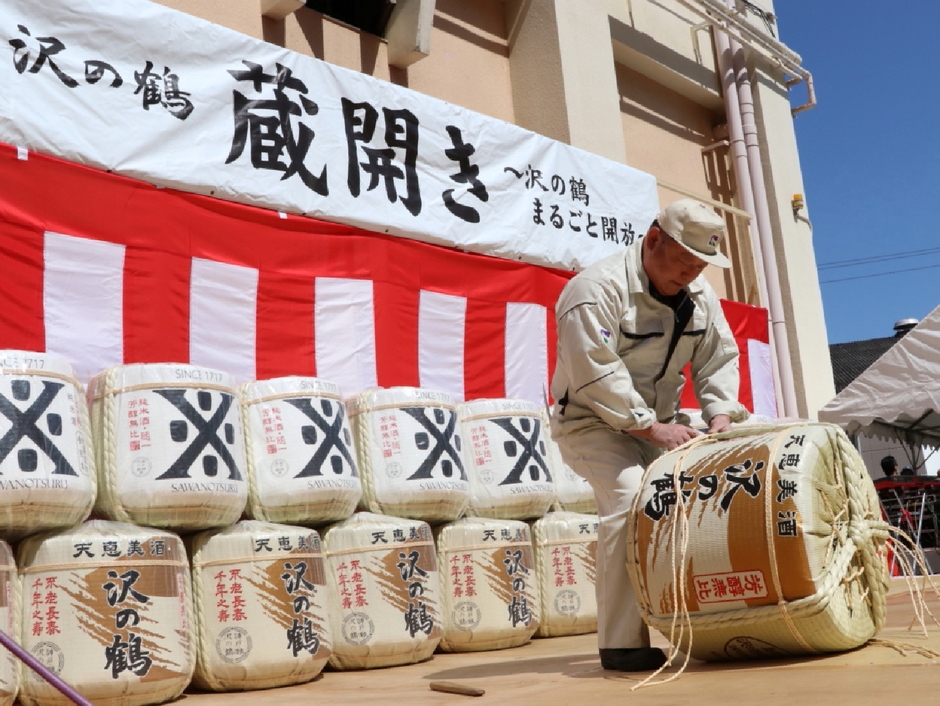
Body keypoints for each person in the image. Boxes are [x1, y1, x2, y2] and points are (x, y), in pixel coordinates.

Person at [550, 198, 749, 672]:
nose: (690, 273)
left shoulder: (700, 295)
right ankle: (620, 644)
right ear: (654, 239)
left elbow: (719, 357)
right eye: (683, 261)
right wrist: (651, 427)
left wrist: (720, 413)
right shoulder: (594, 290)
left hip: (662, 421)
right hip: (592, 420)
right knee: (629, 499)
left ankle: (709, 617)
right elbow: (594, 371)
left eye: (700, 265)